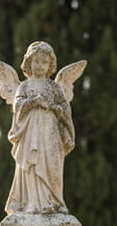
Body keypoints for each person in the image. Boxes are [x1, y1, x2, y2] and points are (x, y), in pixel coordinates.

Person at [6, 41, 74, 215]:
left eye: (44, 62)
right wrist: (32, 102)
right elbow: (17, 106)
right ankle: (33, 203)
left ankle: (54, 202)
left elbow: (64, 107)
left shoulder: (53, 87)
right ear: (29, 62)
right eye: (36, 61)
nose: (40, 66)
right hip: (30, 133)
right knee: (32, 164)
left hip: (50, 133)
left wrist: (54, 108)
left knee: (52, 165)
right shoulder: (24, 86)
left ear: (50, 65)